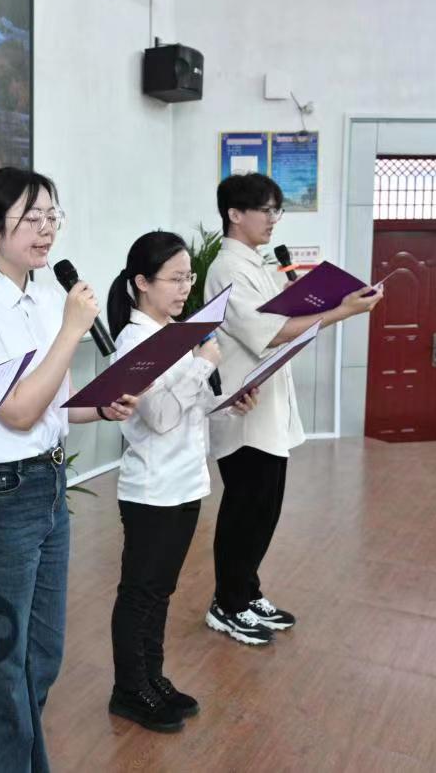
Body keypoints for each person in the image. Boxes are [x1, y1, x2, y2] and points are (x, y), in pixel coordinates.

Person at [0, 166, 139, 772]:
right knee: (0, 666)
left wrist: (99, 407)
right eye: (32, 218)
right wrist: (72, 331)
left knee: (41, 656)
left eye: (53, 216)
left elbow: (53, 403)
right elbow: (19, 413)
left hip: (47, 484)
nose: (47, 229)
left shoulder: (48, 298)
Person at [203, 173, 382, 645]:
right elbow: (270, 333)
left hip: (269, 406)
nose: (273, 220)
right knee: (245, 509)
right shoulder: (227, 268)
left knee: (265, 510)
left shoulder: (259, 265)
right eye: (265, 210)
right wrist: (341, 310)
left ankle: (247, 591)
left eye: (276, 210)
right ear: (234, 214)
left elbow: (286, 326)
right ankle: (226, 604)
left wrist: (313, 305)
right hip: (244, 408)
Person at [103, 231, 257, 732]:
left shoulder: (176, 335)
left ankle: (153, 678)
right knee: (141, 592)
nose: (185, 288)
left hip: (186, 481)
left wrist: (227, 402)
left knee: (162, 590)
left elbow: (189, 408)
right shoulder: (134, 343)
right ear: (142, 283)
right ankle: (129, 690)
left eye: (189, 277)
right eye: (174, 278)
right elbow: (161, 418)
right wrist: (204, 364)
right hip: (152, 489)